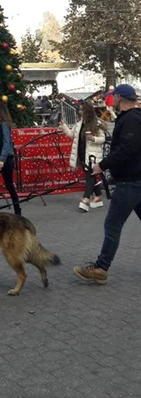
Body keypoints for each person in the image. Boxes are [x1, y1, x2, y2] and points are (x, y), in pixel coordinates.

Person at [74, 84, 141, 284]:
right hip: (135, 179)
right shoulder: (135, 118)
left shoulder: (131, 119)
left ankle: (101, 267)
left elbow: (127, 148)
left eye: (112, 97)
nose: (109, 101)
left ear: (119, 98)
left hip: (130, 182)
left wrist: (102, 165)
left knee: (112, 224)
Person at [60, 101, 106, 211]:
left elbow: (103, 139)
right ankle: (98, 197)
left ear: (88, 111)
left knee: (90, 175)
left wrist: (93, 138)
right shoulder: (79, 123)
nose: (80, 112)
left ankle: (86, 199)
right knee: (90, 175)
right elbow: (71, 135)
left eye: (82, 109)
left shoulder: (96, 123)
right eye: (79, 110)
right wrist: (64, 126)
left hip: (92, 155)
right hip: (81, 154)